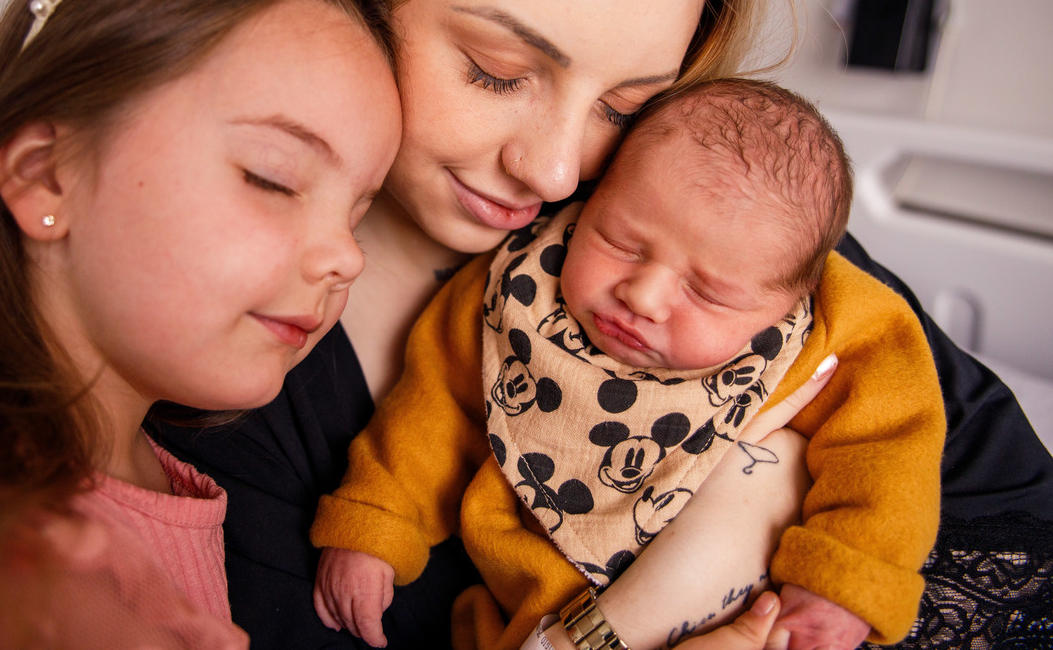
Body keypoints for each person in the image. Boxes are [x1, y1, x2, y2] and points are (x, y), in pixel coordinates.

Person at [151, 0, 1053, 648]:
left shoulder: (716, 214)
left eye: (624, 107)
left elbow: (1009, 519)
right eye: (498, 70)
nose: (553, 170)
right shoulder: (226, 392)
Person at [0, 0, 406, 648]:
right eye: (273, 179)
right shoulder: (14, 587)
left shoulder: (150, 474)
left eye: (358, 213)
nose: (345, 257)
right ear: (46, 176)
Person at [311, 78, 945, 650]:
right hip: (539, 614)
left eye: (706, 293)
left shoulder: (848, 329)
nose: (641, 296)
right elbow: (432, 411)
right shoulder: (512, 296)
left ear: (789, 299)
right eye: (619, 241)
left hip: (750, 611)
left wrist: (843, 575)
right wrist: (375, 524)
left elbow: (889, 452)